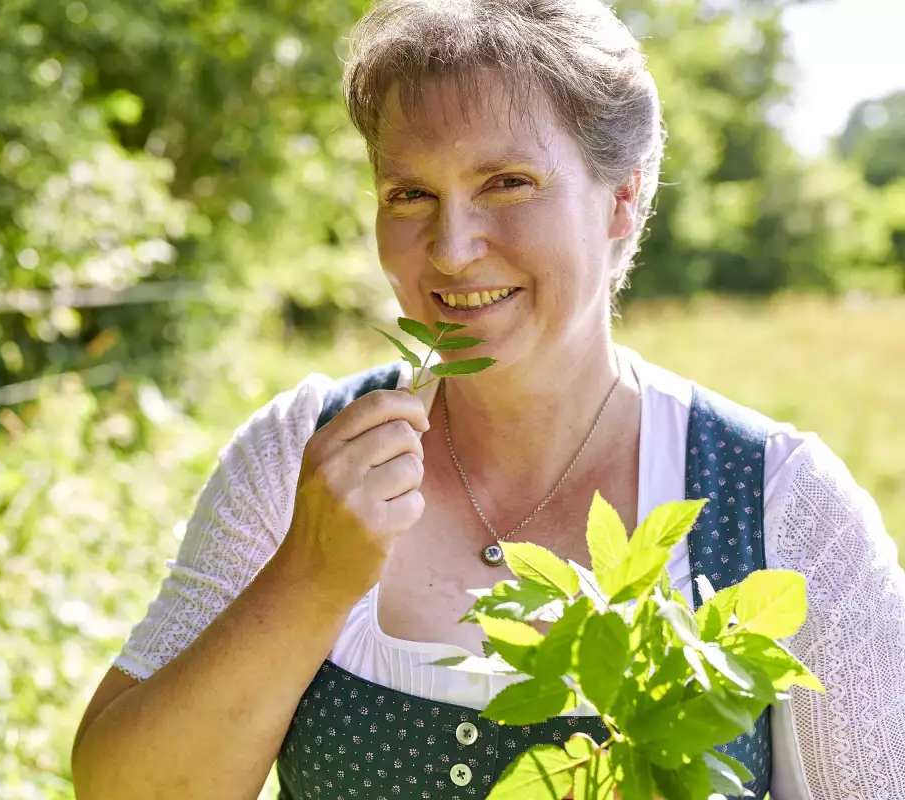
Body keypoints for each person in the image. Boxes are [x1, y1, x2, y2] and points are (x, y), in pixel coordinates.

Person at [70, 1, 905, 797]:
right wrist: (311, 579)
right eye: (410, 194)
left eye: (507, 182)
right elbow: (121, 788)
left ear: (621, 198)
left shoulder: (782, 506)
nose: (453, 249)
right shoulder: (298, 454)